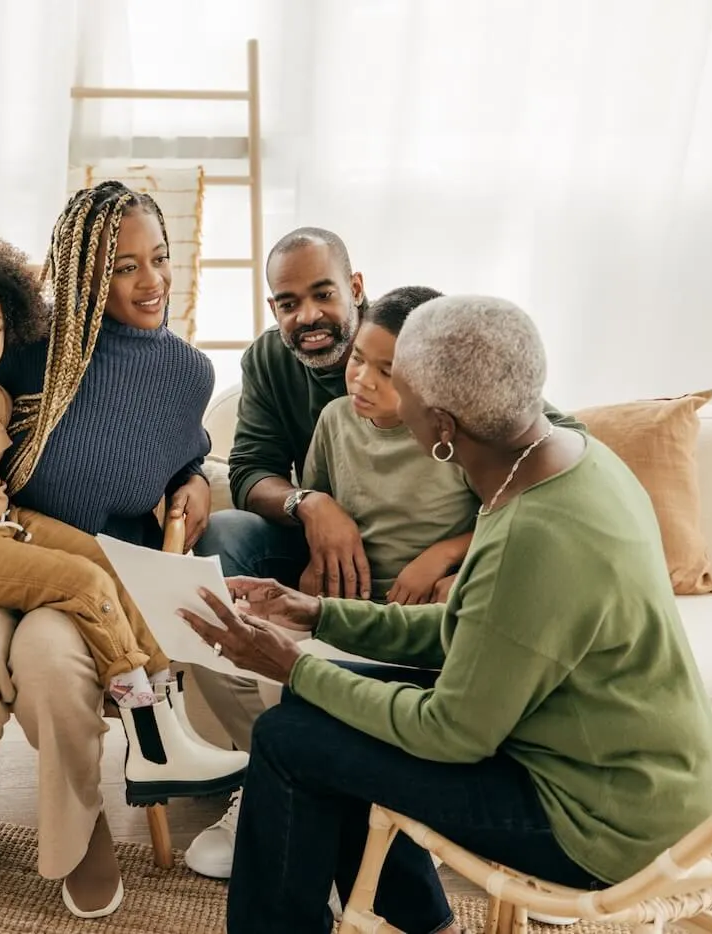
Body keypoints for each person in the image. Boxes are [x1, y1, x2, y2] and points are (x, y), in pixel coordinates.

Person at [176, 294, 712, 934]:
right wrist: (320, 614)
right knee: (318, 718)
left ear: (441, 426)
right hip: (632, 770)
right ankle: (425, 924)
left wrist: (292, 667)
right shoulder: (570, 460)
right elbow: (479, 629)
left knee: (290, 738)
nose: (385, 396)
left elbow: (450, 733)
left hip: (601, 821)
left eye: (398, 382)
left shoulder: (534, 533)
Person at [0, 182, 226, 919]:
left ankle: (77, 827)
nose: (150, 281)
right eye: (124, 266)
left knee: (54, 669)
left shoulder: (189, 373)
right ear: (83, 270)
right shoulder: (21, 347)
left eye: (159, 259)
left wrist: (195, 481)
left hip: (91, 563)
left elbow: (183, 452)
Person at [184, 228, 585, 879]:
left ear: (356, 291)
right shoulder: (323, 408)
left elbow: (552, 451)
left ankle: (339, 798)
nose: (307, 315)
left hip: (430, 588)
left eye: (322, 294)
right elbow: (258, 467)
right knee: (222, 571)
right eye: (287, 302)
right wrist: (313, 511)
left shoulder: (440, 366)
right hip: (345, 571)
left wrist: (455, 557)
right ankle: (269, 776)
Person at [300, 284, 478, 605]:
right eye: (357, 357)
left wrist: (446, 555)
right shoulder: (334, 418)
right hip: (349, 602)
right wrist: (316, 560)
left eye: (386, 371)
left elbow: (510, 519)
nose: (362, 380)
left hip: (428, 603)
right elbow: (318, 508)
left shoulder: (460, 432)